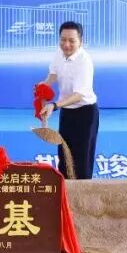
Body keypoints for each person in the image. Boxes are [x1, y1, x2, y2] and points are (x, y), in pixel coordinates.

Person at [37, 21, 98, 179]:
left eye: (72, 41)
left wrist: (54, 105)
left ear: (81, 41)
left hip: (85, 113)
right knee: (64, 155)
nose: (66, 45)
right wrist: (42, 87)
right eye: (63, 40)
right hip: (66, 111)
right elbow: (53, 75)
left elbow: (79, 95)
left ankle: (83, 193)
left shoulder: (84, 61)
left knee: (82, 160)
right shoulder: (59, 53)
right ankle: (65, 191)